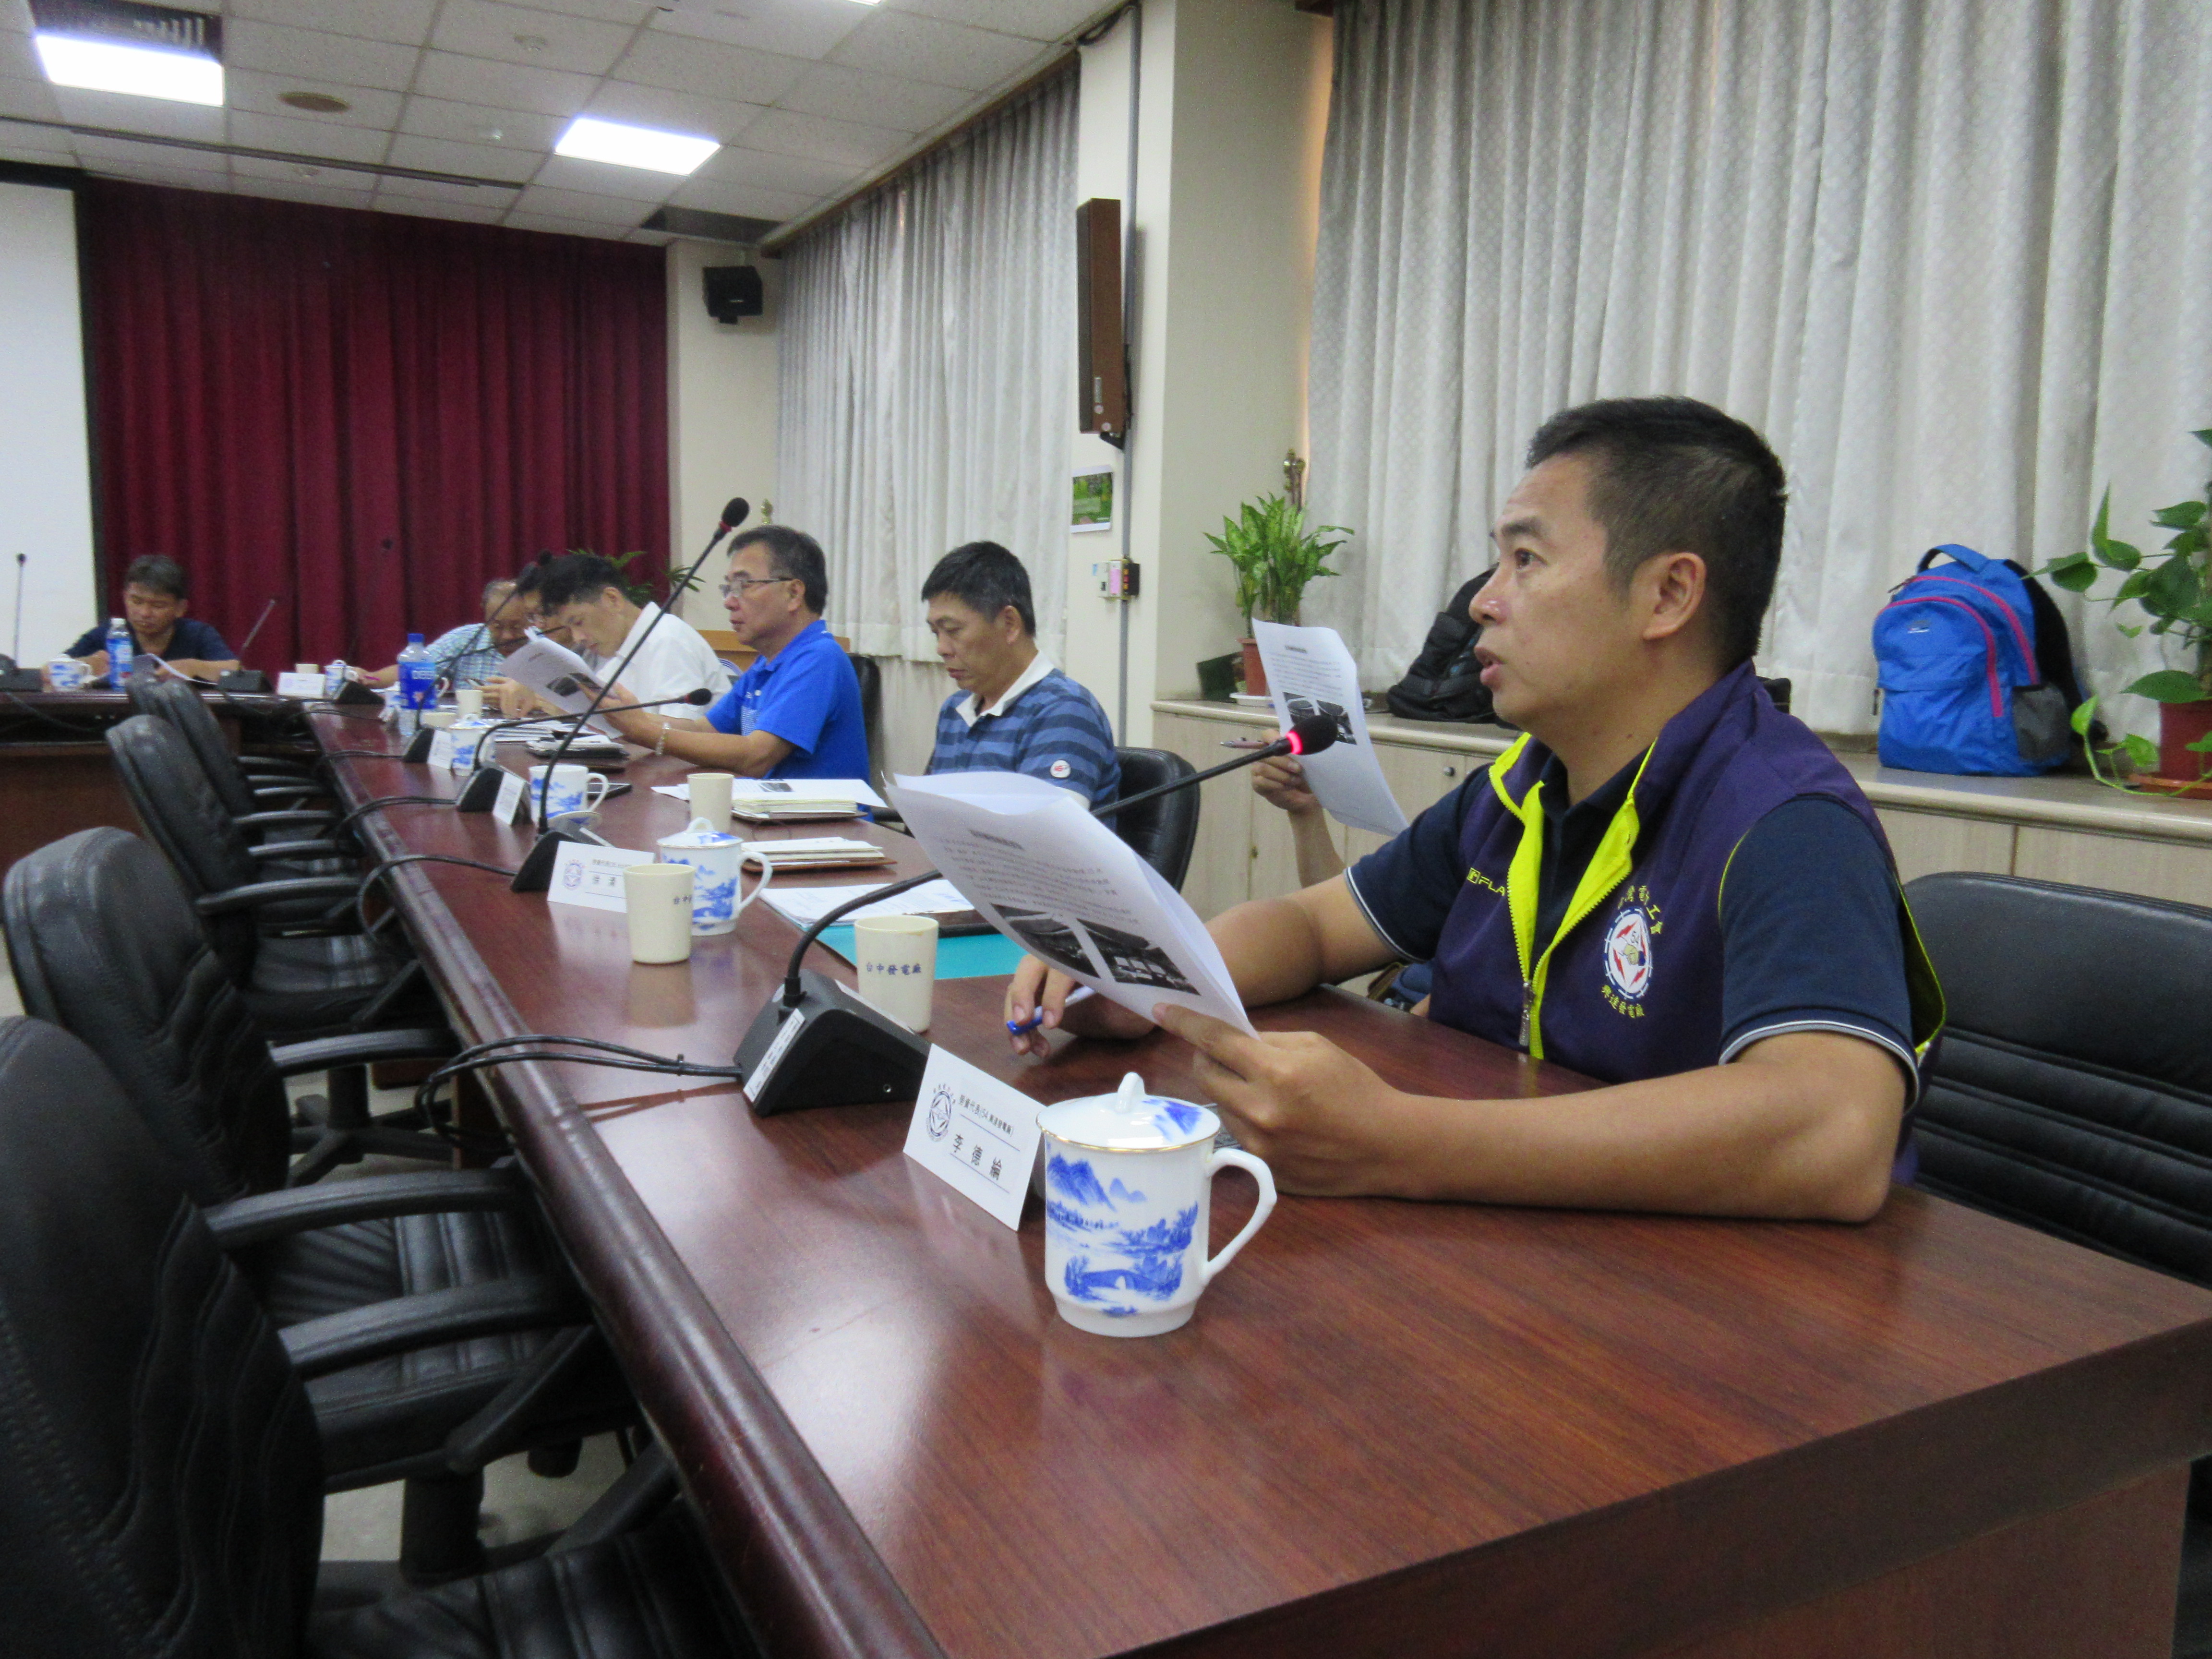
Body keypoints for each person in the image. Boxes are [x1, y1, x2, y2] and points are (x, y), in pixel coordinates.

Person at [1010, 397, 1941, 1225]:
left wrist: (1396, 1141)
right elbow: (1313, 927)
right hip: (1510, 1244)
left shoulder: (1785, 820)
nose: (1484, 602)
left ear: (1667, 594)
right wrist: (1149, 980)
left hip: (1698, 1307)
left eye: (1525, 560)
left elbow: (1834, 1130)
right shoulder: (1523, 786)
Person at [601, 526, 869, 781]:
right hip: (765, 809)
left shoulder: (820, 658)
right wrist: (626, 716)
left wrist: (645, 731)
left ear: (793, 593)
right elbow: (704, 730)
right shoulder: (767, 662)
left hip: (819, 815)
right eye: (728, 588)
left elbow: (757, 756)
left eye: (743, 585)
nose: (729, 602)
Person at [922, 541, 1119, 809]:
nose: (942, 649)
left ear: (1010, 624)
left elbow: (1047, 830)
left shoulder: (1064, 711)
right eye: (936, 633)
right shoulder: (954, 711)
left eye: (953, 630)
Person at [532, 553, 731, 710]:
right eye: (570, 628)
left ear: (612, 599)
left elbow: (679, 734)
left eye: (579, 622)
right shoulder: (603, 648)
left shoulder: (668, 640)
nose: (577, 638)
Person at [59, 556, 238, 684]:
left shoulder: (198, 634)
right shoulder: (109, 633)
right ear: (125, 597)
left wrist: (194, 667)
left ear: (180, 608)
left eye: (158, 605)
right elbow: (50, 670)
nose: (145, 613)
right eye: (136, 602)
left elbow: (237, 671)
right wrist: (84, 665)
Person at [360, 578, 530, 688]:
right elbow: (415, 670)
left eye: (516, 627)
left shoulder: (543, 644)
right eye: (497, 627)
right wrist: (370, 678)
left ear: (531, 617)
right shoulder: (466, 639)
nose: (507, 636)